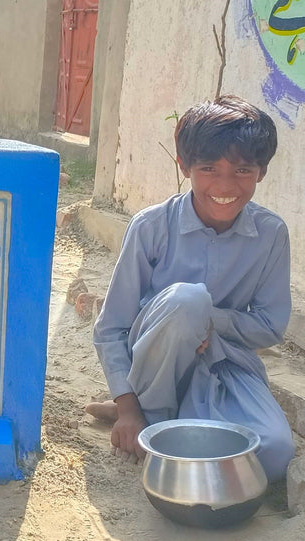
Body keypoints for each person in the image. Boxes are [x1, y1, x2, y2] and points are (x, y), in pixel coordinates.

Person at [85, 95, 295, 481]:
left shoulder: (270, 234)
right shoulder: (151, 227)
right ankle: (146, 412)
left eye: (243, 170)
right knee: (186, 300)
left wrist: (210, 323)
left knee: (274, 453)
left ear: (262, 172)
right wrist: (127, 406)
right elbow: (111, 327)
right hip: (154, 364)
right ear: (185, 167)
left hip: (225, 364)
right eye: (209, 168)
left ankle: (163, 421)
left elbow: (268, 326)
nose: (225, 185)